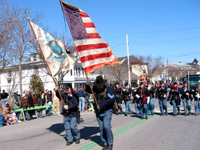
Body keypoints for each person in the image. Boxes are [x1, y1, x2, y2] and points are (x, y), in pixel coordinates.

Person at [85, 75, 115, 150]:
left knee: (106, 126)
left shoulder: (108, 89)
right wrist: (87, 85)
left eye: (100, 85)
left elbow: (111, 99)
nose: (99, 87)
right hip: (98, 112)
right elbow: (89, 90)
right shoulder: (95, 89)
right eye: (97, 85)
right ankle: (105, 143)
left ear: (103, 84)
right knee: (101, 129)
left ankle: (110, 143)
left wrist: (101, 105)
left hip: (107, 111)